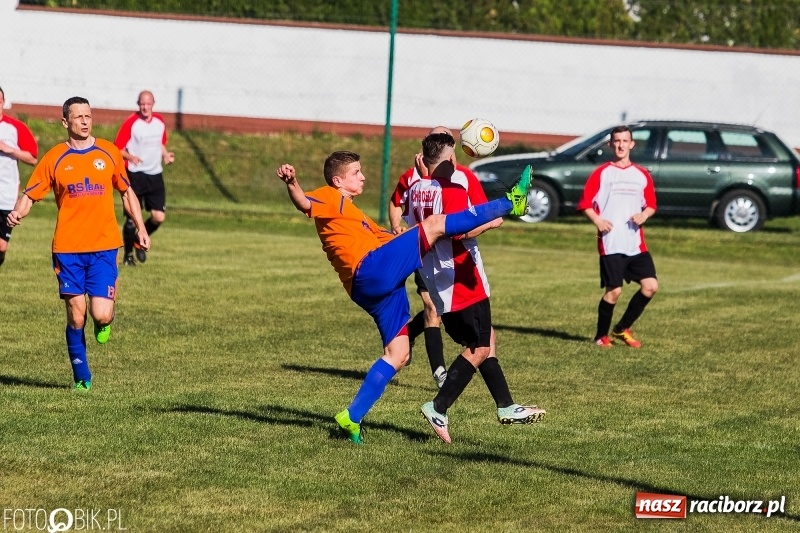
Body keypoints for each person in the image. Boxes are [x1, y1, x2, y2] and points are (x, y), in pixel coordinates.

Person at [276, 150, 530, 444]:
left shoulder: (359, 218)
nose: (363, 177)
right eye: (356, 173)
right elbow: (304, 203)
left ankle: (352, 417)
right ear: (338, 180)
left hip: (369, 287)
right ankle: (511, 201)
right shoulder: (330, 197)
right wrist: (292, 182)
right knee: (435, 223)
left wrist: (414, 232)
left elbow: (396, 240)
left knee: (399, 354)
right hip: (370, 270)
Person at [405, 132, 545, 443]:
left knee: (486, 338)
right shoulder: (451, 188)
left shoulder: (416, 189)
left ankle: (506, 405)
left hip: (437, 279)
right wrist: (494, 220)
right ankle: (438, 406)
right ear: (450, 158)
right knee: (479, 347)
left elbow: (420, 225)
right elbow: (458, 231)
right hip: (462, 278)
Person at [7, 96, 150, 390]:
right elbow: (32, 193)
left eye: (88, 116)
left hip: (103, 246)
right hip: (68, 249)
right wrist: (17, 213)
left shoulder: (109, 153)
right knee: (76, 314)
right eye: (79, 117)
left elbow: (126, 192)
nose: (85, 121)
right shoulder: (55, 158)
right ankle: (81, 375)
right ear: (65, 122)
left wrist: (140, 226)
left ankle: (105, 319)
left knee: (100, 313)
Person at [576, 125, 658, 348]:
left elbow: (651, 205)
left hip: (635, 244)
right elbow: (584, 204)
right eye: (617, 141)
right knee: (614, 292)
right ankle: (601, 336)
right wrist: (598, 221)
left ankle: (621, 329)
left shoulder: (641, 175)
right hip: (611, 242)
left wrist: (644, 215)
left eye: (625, 141)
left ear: (632, 144)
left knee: (650, 286)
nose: (621, 145)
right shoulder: (602, 173)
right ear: (611, 145)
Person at [388, 126, 453, 389]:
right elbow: (395, 203)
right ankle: (440, 372)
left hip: (450, 256)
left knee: (444, 308)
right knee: (432, 308)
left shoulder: (458, 178)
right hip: (421, 251)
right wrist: (396, 226)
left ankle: (410, 332)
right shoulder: (411, 178)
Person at [114, 90, 174, 266]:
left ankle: (139, 240)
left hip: (155, 174)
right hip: (135, 175)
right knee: (133, 218)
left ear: (153, 104)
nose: (145, 107)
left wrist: (166, 155)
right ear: (138, 104)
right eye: (142, 104)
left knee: (159, 217)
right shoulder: (131, 123)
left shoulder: (159, 122)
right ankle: (128, 255)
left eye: (148, 104)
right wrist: (131, 157)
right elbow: (117, 148)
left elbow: (160, 143)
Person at [0, 86, 39, 268]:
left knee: (0, 246)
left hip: (6, 196)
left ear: (3, 103)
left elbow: (33, 159)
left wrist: (9, 149)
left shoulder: (15, 128)